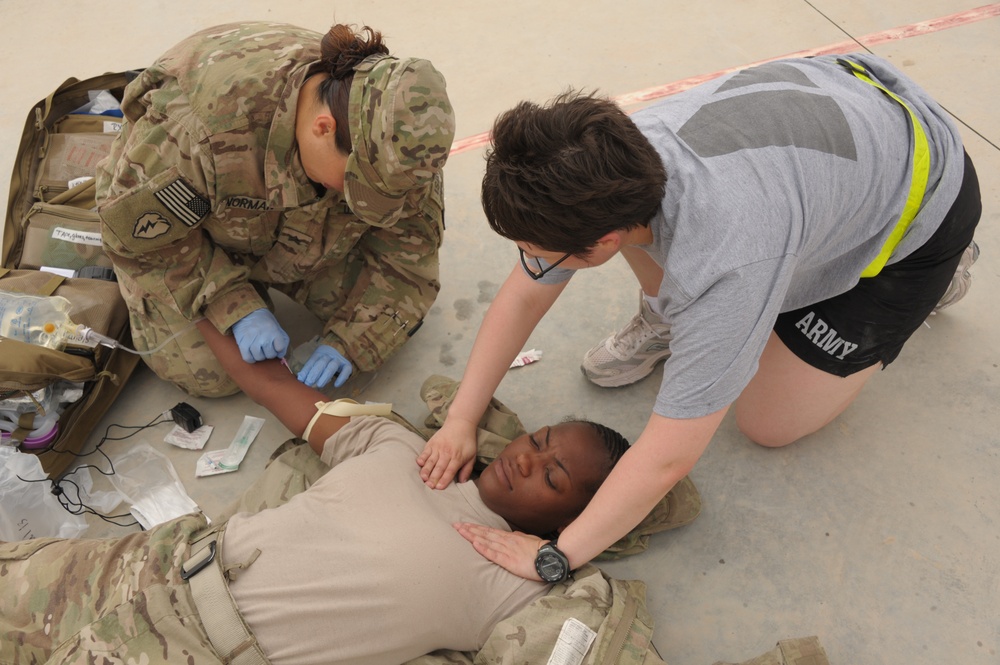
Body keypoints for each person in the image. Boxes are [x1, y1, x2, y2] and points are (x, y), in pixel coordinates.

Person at [415, 53, 982, 581]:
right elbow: (525, 293)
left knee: (769, 423)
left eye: (537, 248)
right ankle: (692, 312)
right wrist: (463, 419)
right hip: (842, 113)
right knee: (700, 273)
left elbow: (668, 458)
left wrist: (556, 557)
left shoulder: (726, 261)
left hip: (920, 199)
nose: (531, 260)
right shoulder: (610, 160)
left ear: (605, 241)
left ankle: (937, 273)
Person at [0, 319, 629, 665]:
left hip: (198, 655)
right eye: (540, 439)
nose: (526, 458)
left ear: (575, 519)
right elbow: (273, 388)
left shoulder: (517, 585)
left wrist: (557, 563)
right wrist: (212, 305)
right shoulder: (398, 446)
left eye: (553, 476)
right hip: (153, 567)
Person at [95, 21, 455, 397]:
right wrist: (233, 304)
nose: (359, 201)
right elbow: (140, 241)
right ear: (323, 128)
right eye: (357, 187)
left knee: (381, 322)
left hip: (293, 232)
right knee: (213, 374)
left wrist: (350, 343)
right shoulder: (201, 130)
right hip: (191, 234)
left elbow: (409, 262)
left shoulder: (402, 144)